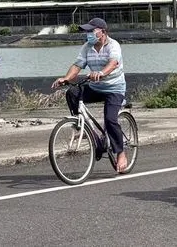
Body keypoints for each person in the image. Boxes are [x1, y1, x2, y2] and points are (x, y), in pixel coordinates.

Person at [51, 17, 128, 173]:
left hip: (114, 89)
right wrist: (65, 78)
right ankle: (86, 130)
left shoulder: (113, 45)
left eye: (91, 31)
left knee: (110, 119)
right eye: (87, 32)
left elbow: (113, 63)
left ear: (102, 32)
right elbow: (77, 65)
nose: (88, 34)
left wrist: (101, 72)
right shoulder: (87, 47)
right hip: (95, 87)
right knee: (72, 93)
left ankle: (121, 153)